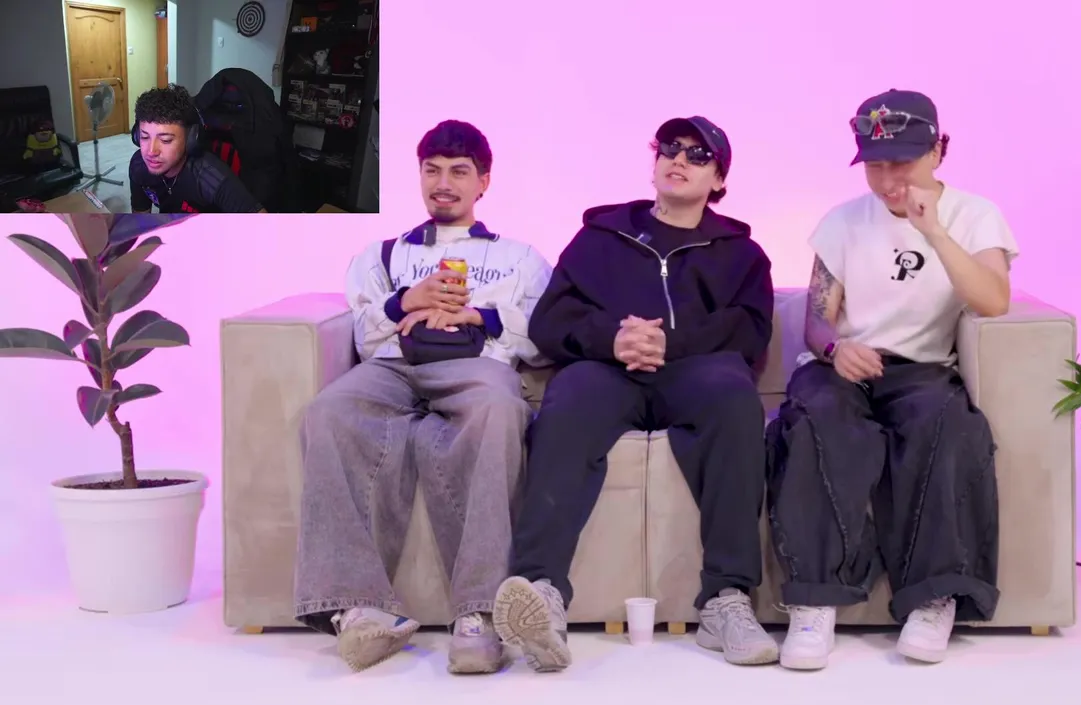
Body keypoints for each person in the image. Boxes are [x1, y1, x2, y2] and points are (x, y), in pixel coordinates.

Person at [492, 116, 778, 672]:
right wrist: (613, 339)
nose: (679, 159)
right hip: (608, 370)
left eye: (698, 155)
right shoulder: (601, 236)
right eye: (670, 148)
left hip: (695, 370)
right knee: (568, 401)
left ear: (719, 179)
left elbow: (750, 330)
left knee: (735, 399)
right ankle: (541, 593)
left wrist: (671, 341)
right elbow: (550, 322)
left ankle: (726, 600)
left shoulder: (742, 253)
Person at [765, 89, 1018, 670]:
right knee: (814, 422)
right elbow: (816, 319)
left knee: (947, 425)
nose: (887, 180)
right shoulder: (843, 221)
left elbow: (994, 299)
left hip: (922, 369)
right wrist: (836, 348)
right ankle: (815, 600)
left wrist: (934, 232)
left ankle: (933, 597)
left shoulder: (976, 216)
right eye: (875, 166)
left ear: (938, 151)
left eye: (901, 163)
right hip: (844, 365)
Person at [293, 120, 553, 674]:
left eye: (459, 172)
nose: (443, 183)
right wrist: (404, 302)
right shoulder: (383, 256)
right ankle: (358, 611)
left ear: (483, 182)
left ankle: (479, 615)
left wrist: (478, 316)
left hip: (478, 367)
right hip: (392, 366)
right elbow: (365, 337)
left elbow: (543, 337)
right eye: (432, 170)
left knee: (498, 411)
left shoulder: (520, 258)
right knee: (328, 411)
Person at [128, 84, 264, 213]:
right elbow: (140, 218)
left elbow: (263, 223)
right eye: (144, 137)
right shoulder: (139, 165)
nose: (151, 152)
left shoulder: (209, 176)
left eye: (166, 140)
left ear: (191, 139)